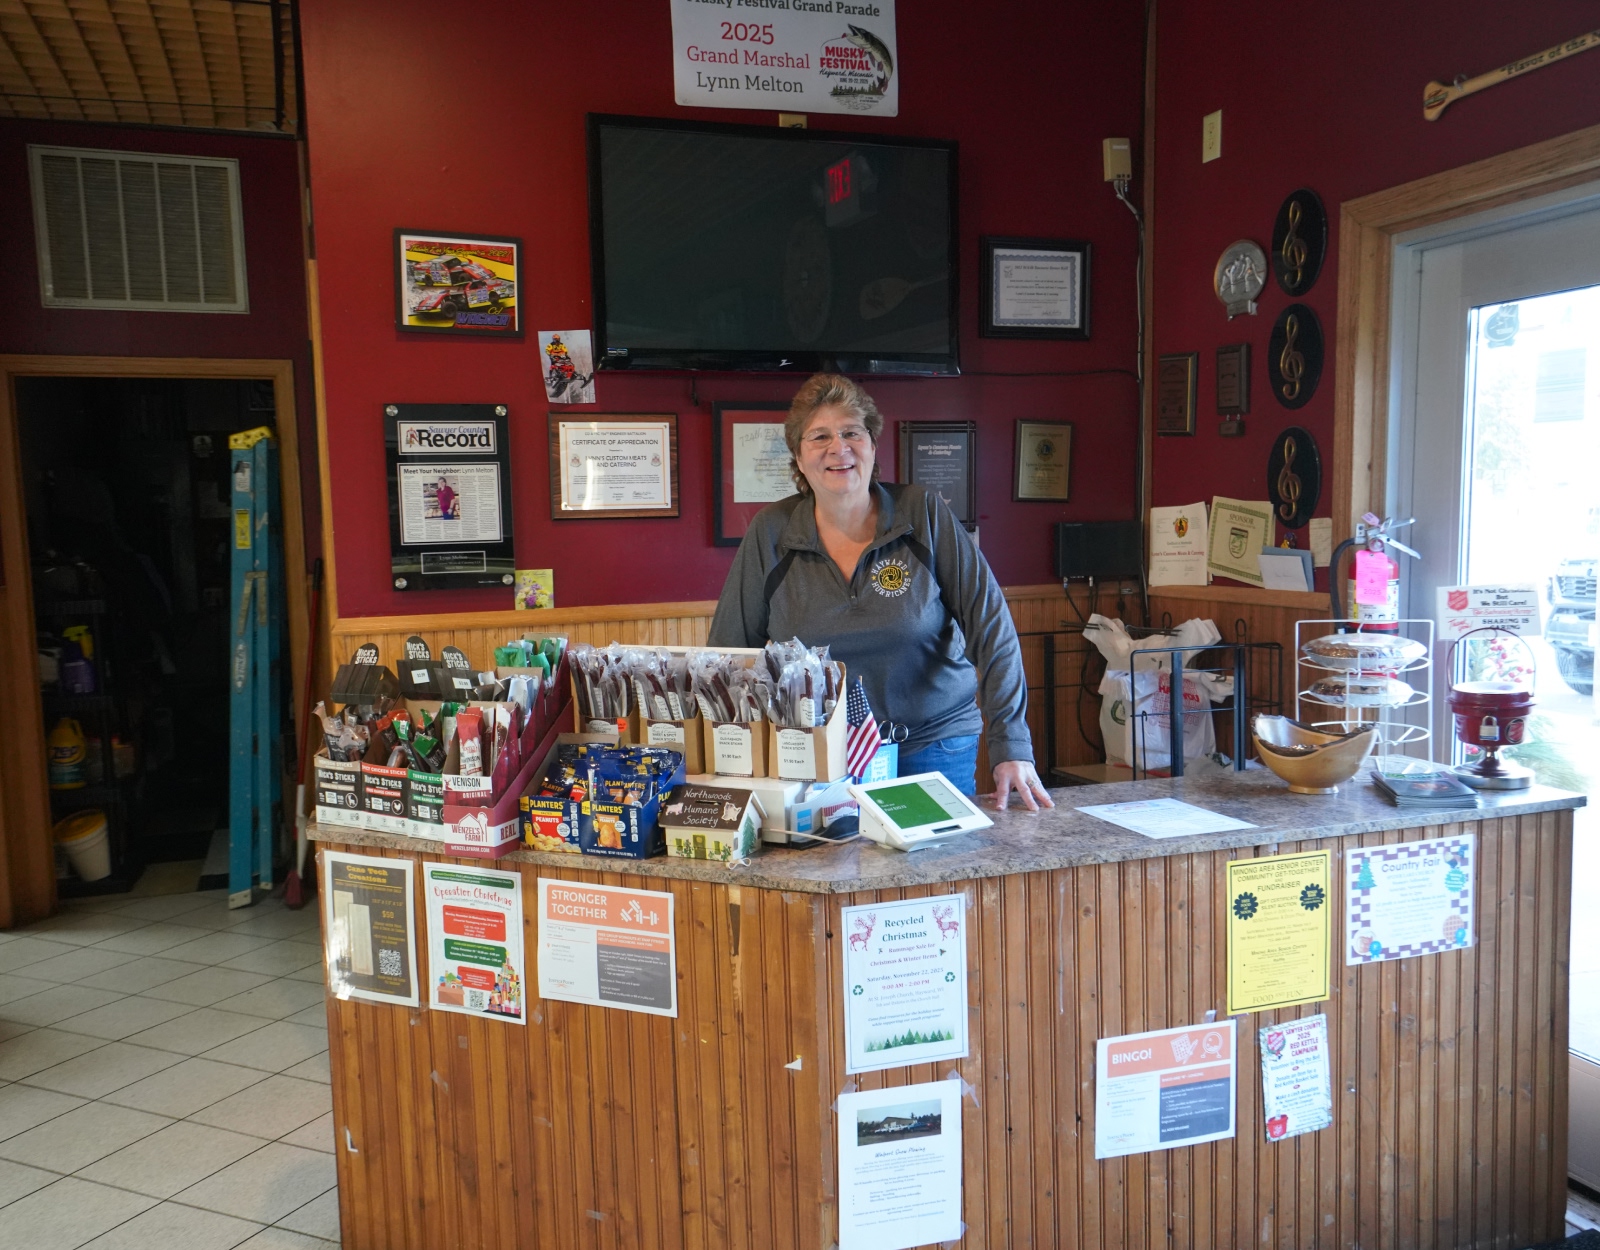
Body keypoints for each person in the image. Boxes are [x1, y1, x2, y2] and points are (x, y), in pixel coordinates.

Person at [709, 374, 1053, 810]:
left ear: (872, 445)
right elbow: (727, 654)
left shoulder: (923, 513)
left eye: (853, 432)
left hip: (931, 745)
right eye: (820, 436)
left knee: (932, 875)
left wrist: (1012, 745)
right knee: (835, 870)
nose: (839, 447)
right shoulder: (771, 531)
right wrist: (732, 761)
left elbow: (992, 627)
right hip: (819, 755)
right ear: (798, 455)